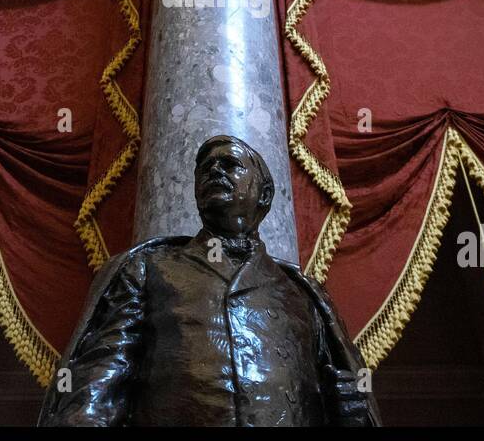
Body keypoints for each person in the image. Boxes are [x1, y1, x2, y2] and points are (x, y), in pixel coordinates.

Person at [39, 134, 379, 426]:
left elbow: (339, 397)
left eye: (230, 164)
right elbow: (102, 378)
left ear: (263, 194)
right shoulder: (149, 269)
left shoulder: (303, 292)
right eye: (206, 168)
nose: (214, 170)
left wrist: (350, 414)